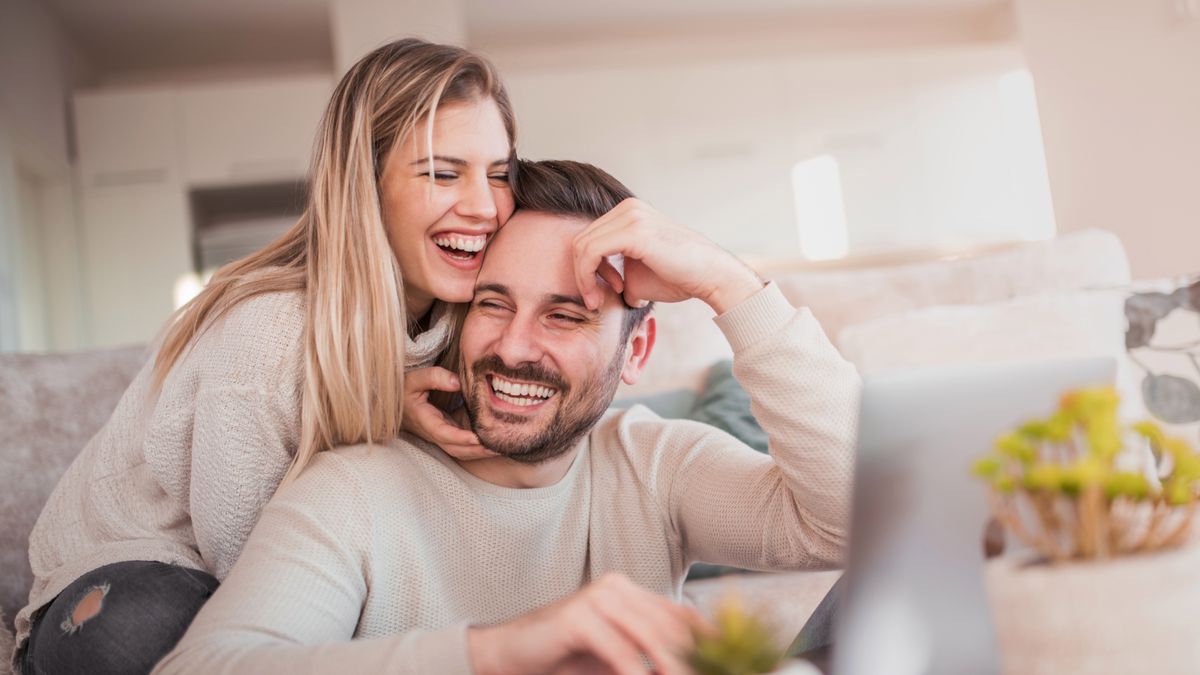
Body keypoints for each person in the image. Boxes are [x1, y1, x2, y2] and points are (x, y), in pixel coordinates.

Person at [153, 160, 861, 675]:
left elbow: (848, 521)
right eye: (492, 304)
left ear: (635, 348)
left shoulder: (654, 463)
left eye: (566, 314)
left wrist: (727, 281)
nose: (514, 347)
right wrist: (498, 649)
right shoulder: (354, 490)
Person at [14, 38, 516, 675]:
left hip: (272, 586)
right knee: (147, 631)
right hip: (138, 572)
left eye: (499, 173)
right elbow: (251, 568)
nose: (484, 205)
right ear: (365, 183)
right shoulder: (269, 330)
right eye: (443, 173)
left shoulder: (462, 318)